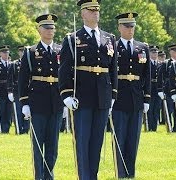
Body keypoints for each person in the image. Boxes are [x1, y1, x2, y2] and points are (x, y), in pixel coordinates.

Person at [58, 0, 118, 179]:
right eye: (91, 10)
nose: (95, 13)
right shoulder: (72, 39)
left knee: (97, 142)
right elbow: (64, 69)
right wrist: (67, 94)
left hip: (103, 96)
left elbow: (113, 68)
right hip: (82, 96)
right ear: (83, 13)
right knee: (83, 142)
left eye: (97, 10)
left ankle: (93, 175)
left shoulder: (109, 38)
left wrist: (113, 94)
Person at [18, 14, 63, 179]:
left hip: (56, 103)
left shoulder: (61, 51)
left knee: (53, 144)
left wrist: (65, 101)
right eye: (46, 28)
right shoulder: (31, 52)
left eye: (52, 28)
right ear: (39, 30)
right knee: (38, 144)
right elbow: (23, 80)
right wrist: (24, 103)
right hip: (37, 103)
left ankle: (49, 175)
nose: (50, 31)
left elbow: (67, 78)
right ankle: (39, 176)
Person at [111, 12, 151, 179]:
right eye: (127, 26)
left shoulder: (142, 47)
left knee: (133, 138)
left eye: (132, 26)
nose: (130, 29)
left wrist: (147, 98)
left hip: (136, 98)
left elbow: (147, 75)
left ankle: (130, 172)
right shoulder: (112, 46)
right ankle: (120, 173)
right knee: (119, 136)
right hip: (119, 97)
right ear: (120, 27)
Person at [158, 44, 176, 131]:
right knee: (169, 109)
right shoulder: (166, 63)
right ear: (170, 52)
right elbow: (160, 76)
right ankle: (169, 125)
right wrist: (160, 90)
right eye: (174, 52)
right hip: (168, 90)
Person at [8, 45, 29, 134]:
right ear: (18, 53)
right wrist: (10, 91)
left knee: (27, 110)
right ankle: (19, 128)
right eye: (21, 51)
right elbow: (10, 78)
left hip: (27, 90)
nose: (22, 53)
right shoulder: (14, 64)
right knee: (18, 110)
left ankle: (26, 128)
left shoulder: (29, 62)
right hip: (17, 90)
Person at [148, 45, 161, 131]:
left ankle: (154, 127)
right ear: (150, 53)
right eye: (153, 52)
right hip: (150, 87)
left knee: (157, 108)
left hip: (158, 88)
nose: (155, 54)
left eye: (156, 52)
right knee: (150, 108)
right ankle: (150, 126)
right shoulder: (147, 63)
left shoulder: (160, 64)